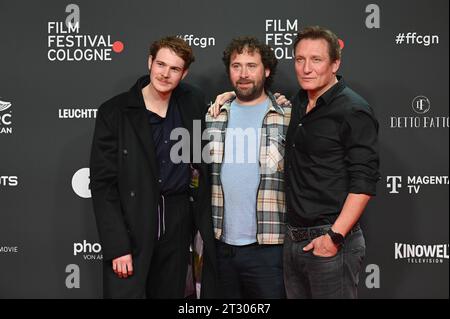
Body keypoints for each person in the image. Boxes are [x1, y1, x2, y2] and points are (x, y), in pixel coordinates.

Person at [90, 36, 219, 298]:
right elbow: (103, 185)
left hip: (177, 219)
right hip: (132, 221)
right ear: (150, 62)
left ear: (184, 74)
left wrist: (227, 97)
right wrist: (117, 247)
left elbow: (221, 113)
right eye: (161, 64)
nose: (165, 74)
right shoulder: (115, 112)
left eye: (174, 69)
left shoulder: (192, 102)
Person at [284, 26, 381, 299]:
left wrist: (334, 238)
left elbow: (364, 181)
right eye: (299, 59)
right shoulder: (299, 102)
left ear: (335, 63)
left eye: (316, 60)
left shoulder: (353, 109)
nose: (306, 68)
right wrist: (228, 96)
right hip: (294, 240)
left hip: (331, 242)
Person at [205, 36, 291, 298]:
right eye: (236, 66)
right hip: (221, 247)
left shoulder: (287, 116)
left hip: (268, 248)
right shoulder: (214, 114)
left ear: (266, 71)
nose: (243, 74)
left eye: (251, 66)